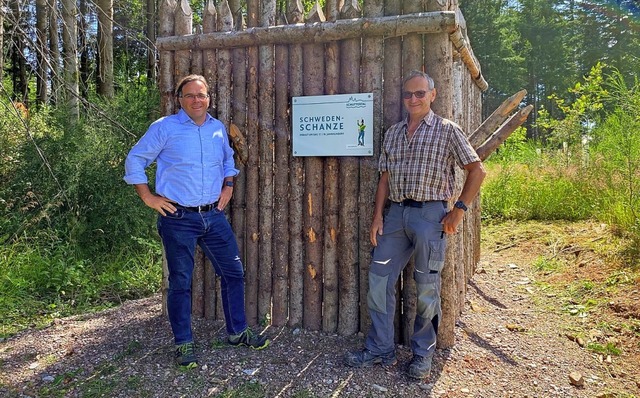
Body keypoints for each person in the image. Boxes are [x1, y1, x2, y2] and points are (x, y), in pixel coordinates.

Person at [344, 70, 486, 379]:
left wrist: (458, 210)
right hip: (395, 216)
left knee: (426, 288)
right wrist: (378, 215)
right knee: (379, 280)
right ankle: (380, 348)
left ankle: (423, 355)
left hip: (431, 217)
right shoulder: (394, 133)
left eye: (420, 93)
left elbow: (477, 171)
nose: (413, 99)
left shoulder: (448, 131)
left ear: (433, 95)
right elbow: (384, 178)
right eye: (408, 94)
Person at [124, 74, 269, 368]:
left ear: (208, 99)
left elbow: (228, 161)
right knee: (180, 282)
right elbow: (135, 159)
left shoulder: (217, 129)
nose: (196, 100)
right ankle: (183, 343)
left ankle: (237, 332)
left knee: (233, 273)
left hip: (213, 216)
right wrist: (149, 198)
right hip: (177, 217)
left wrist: (228, 185)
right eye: (190, 95)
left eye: (201, 95)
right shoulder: (165, 128)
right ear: (180, 99)